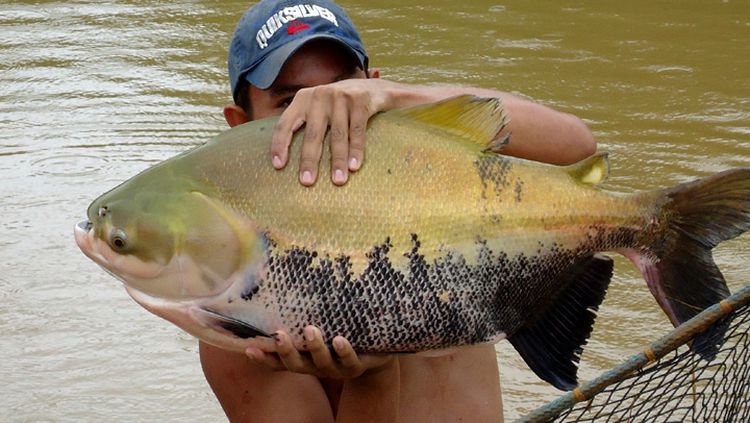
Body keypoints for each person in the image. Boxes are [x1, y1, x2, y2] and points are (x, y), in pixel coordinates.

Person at [200, 1, 597, 422]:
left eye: (344, 91)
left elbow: (576, 145)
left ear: (372, 87)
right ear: (240, 125)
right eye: (290, 103)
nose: (325, 116)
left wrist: (398, 97)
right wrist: (373, 376)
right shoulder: (236, 308)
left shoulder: (438, 178)